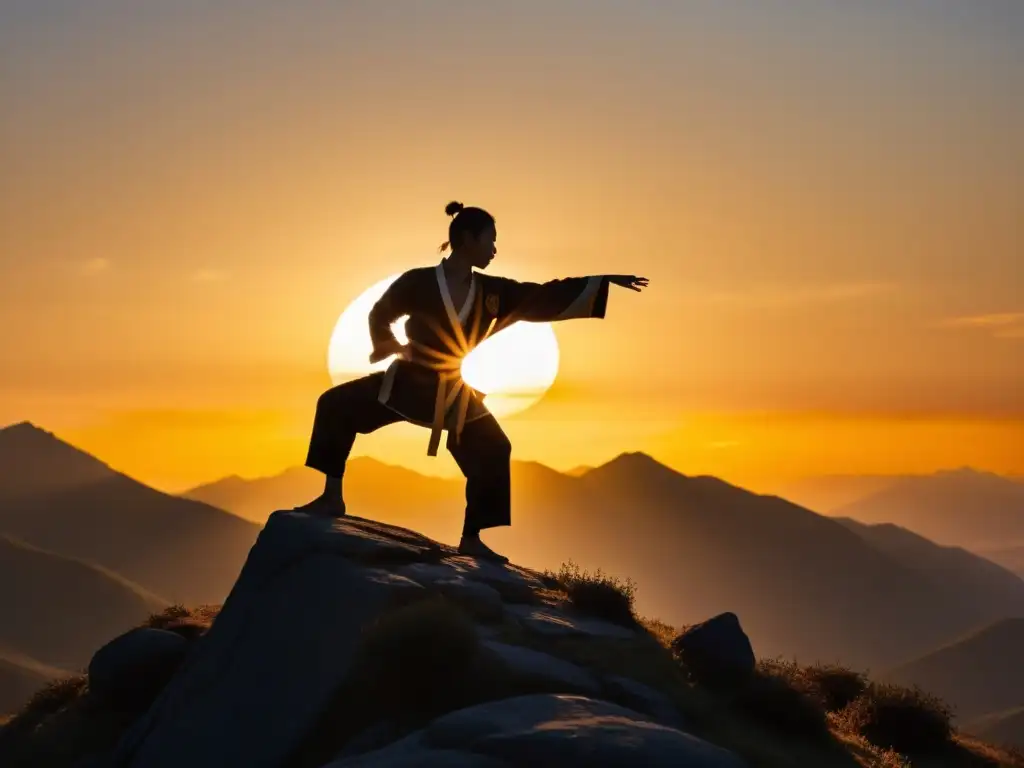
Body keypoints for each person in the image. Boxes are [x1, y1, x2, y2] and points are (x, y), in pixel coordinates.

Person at [296, 201, 648, 562]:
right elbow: (380, 312)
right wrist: (391, 345)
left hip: (453, 391)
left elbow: (541, 295)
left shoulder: (492, 292)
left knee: (495, 448)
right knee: (335, 403)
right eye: (490, 240)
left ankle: (472, 536)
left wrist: (602, 282)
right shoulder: (417, 281)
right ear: (468, 238)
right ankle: (332, 495)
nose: (495, 249)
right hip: (408, 382)